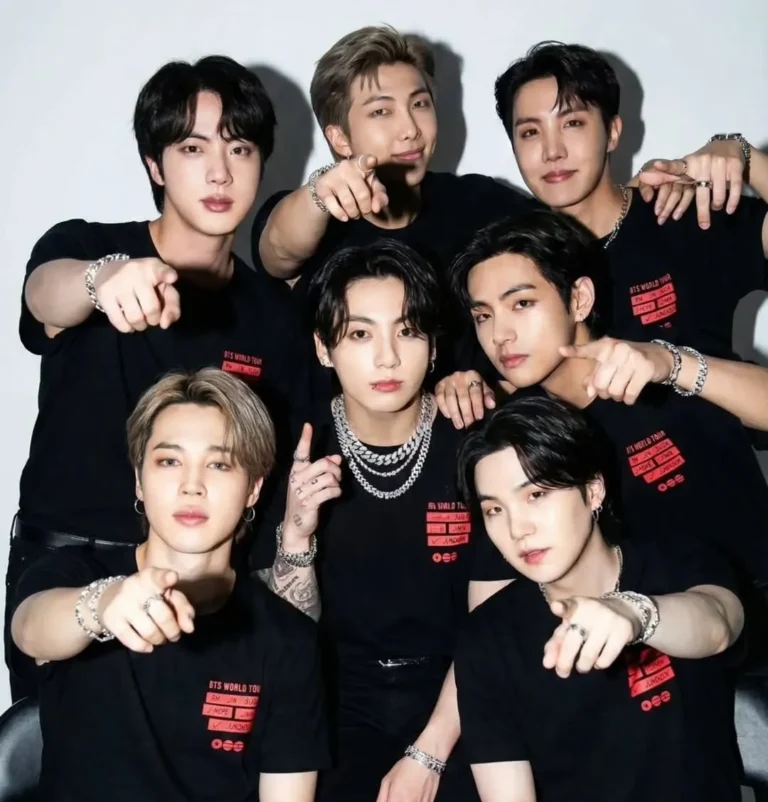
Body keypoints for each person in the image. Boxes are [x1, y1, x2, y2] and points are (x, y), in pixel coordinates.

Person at [252, 240, 548, 802]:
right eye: (359, 333)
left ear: (435, 342)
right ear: (324, 348)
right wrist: (295, 535)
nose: (386, 357)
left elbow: (491, 628)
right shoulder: (292, 449)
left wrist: (428, 753)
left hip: (461, 695)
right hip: (336, 702)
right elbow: (284, 638)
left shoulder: (474, 442)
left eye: (408, 331)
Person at [0, 367, 344, 802]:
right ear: (138, 480)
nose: (191, 485)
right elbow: (31, 628)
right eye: (168, 461)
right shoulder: (73, 575)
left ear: (255, 488)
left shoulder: (287, 640)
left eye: (219, 463)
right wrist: (103, 606)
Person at [450, 207, 768, 802]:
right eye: (483, 316)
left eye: (521, 304)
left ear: (580, 298)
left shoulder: (652, 366)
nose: (500, 335)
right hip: (633, 665)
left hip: (748, 618)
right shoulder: (513, 440)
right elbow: (490, 620)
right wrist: (433, 750)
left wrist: (672, 364)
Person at [454, 391, 768, 802]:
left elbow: (717, 623)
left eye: (537, 494)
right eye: (494, 509)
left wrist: (633, 613)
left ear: (593, 490)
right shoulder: (488, 639)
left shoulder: (682, 563)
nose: (517, 529)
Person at [7, 55, 308, 701]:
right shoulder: (87, 247)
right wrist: (103, 279)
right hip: (67, 577)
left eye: (240, 148)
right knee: (48, 756)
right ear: (155, 164)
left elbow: (276, 472)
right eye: (192, 148)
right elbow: (44, 297)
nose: (220, 172)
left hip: (207, 590)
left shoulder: (275, 316)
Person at [437, 41, 767, 423]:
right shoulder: (508, 266)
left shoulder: (678, 213)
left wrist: (746, 157)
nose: (552, 151)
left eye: (572, 123)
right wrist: (461, 388)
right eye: (530, 132)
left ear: (612, 132)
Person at [252, 25, 531, 398]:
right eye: (381, 111)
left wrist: (497, 387)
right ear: (340, 138)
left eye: (419, 104)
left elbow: (569, 252)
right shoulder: (314, 218)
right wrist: (319, 194)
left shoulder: (480, 203)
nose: (410, 129)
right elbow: (278, 252)